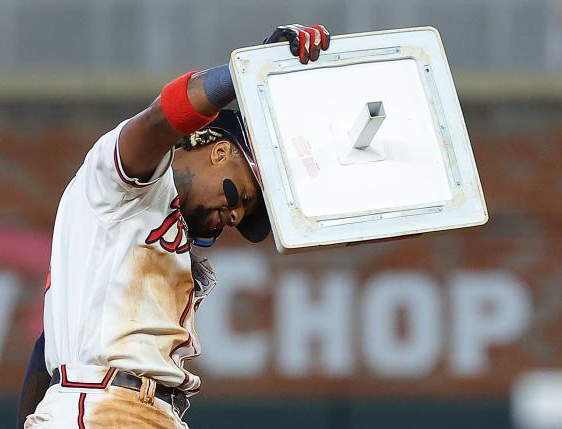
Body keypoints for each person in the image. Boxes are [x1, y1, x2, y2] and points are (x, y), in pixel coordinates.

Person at [17, 24, 331, 429]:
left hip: (142, 409)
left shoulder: (150, 233)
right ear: (219, 151)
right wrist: (244, 73)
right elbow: (158, 120)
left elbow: (47, 348)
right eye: (243, 196)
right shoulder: (122, 184)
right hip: (103, 406)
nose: (236, 217)